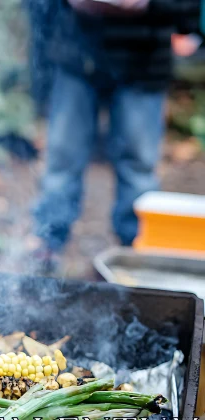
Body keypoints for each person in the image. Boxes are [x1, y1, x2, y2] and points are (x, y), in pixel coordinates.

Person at [31, 0, 201, 272]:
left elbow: (186, 10)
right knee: (62, 156)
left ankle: (137, 253)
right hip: (76, 54)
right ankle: (48, 242)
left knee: (138, 164)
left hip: (143, 62)